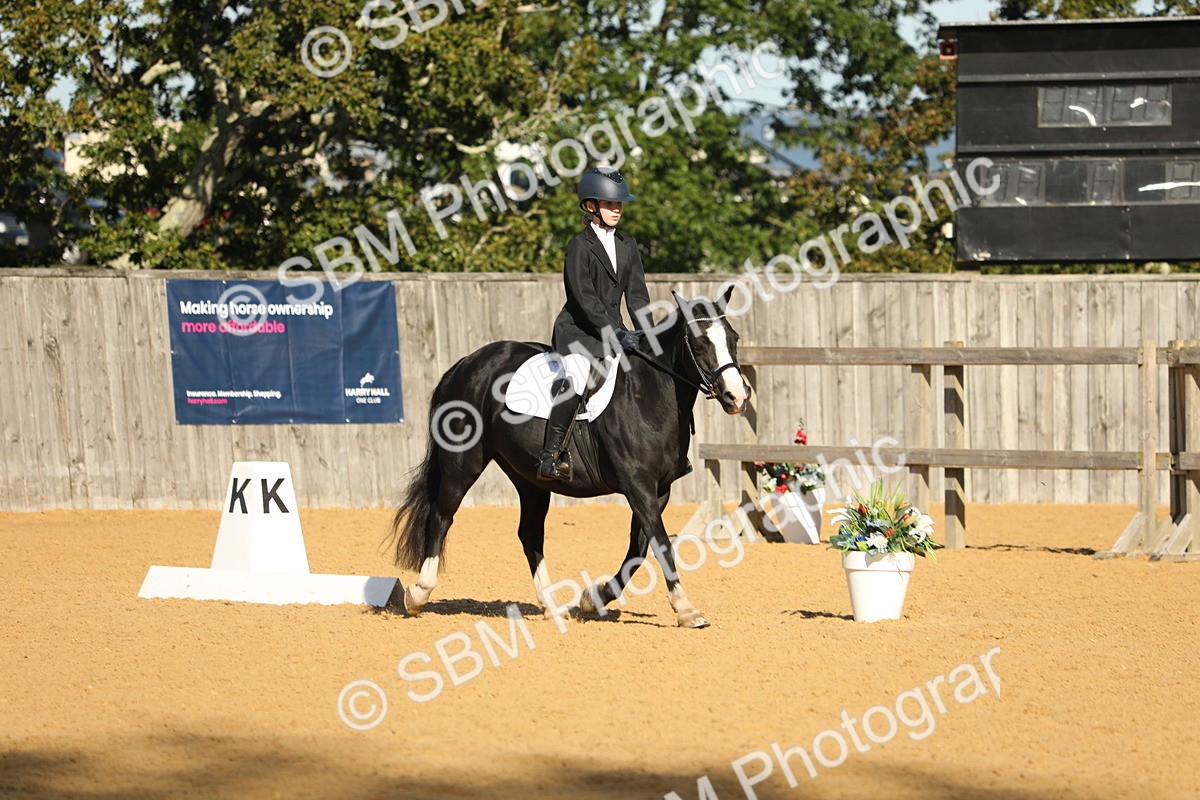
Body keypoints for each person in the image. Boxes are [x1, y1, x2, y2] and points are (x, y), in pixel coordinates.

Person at [537, 166, 651, 482]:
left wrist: (649, 336)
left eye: (619, 204)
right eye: (610, 204)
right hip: (578, 333)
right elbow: (585, 298)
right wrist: (615, 332)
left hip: (615, 333)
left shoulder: (628, 245)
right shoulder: (579, 246)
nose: (617, 209)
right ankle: (551, 455)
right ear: (591, 206)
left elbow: (638, 296)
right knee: (576, 375)